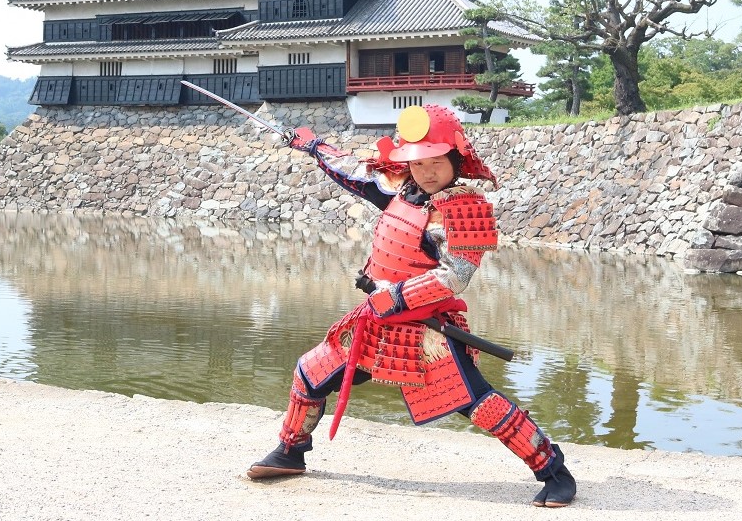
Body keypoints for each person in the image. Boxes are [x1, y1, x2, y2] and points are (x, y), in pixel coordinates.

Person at [246, 104, 577, 508]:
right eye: (418, 162)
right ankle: (290, 451)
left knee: (477, 403)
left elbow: (456, 275)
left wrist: (396, 296)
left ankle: (553, 470)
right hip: (377, 321)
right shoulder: (404, 189)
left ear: (456, 158)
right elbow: (353, 173)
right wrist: (313, 146)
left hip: (426, 329)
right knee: (310, 373)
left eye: (437, 162)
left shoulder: (462, 206)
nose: (428, 171)